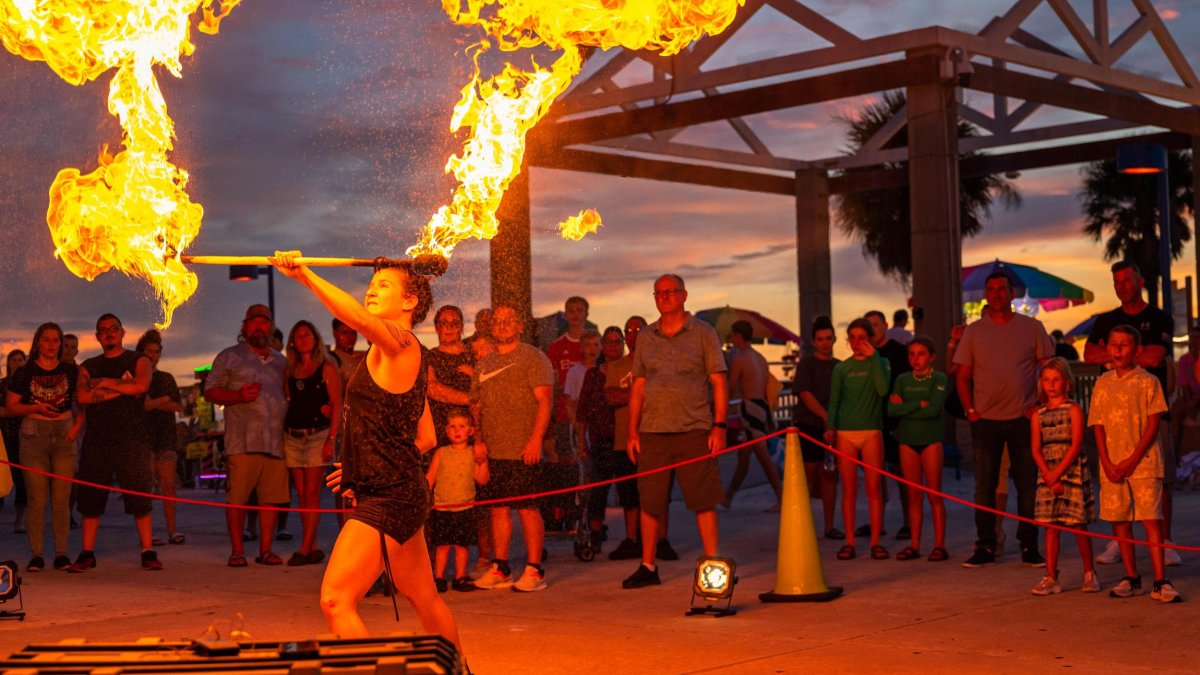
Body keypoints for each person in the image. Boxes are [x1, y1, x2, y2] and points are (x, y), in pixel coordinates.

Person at [271, 251, 466, 654]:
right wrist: (365, 462)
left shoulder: (402, 343)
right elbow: (426, 436)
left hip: (391, 497)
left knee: (335, 599)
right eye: (372, 284)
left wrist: (305, 275)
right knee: (424, 597)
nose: (372, 289)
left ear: (409, 302)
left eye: (384, 286)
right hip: (400, 490)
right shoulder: (396, 356)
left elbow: (359, 319)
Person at [623, 274, 727, 589]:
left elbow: (718, 382)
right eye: (659, 293)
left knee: (702, 499)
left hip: (693, 429)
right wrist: (632, 431)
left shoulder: (703, 333)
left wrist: (719, 425)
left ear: (684, 295)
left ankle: (713, 562)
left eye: (671, 292)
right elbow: (638, 387)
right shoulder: (646, 337)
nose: (665, 297)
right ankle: (648, 565)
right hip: (653, 432)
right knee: (650, 502)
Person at [1086, 261, 1180, 567]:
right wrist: (1133, 355)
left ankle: (1163, 541)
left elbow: (1157, 355)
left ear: (1139, 281)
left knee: (1159, 478)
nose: (1121, 287)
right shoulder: (1105, 320)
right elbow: (1089, 355)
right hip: (1113, 416)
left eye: (1127, 281)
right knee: (1116, 479)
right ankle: (1119, 541)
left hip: (1152, 410)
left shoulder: (1159, 318)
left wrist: (1116, 356)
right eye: (1116, 282)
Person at [955, 272, 1053, 568]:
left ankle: (1029, 544)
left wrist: (1039, 404)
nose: (996, 293)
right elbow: (962, 375)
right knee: (984, 487)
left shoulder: (1032, 327)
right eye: (991, 289)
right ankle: (985, 545)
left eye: (1002, 289)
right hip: (986, 421)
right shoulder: (974, 332)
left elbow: (1049, 367)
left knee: (1027, 484)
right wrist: (970, 410)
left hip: (1023, 419)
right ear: (986, 294)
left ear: (1012, 294)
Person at [1089, 325, 1180, 602]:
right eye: (1113, 344)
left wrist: (1132, 459)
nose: (1117, 350)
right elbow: (1098, 425)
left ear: (1137, 350)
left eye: (1124, 345)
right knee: (1120, 522)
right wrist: (1105, 460)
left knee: (1151, 519)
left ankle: (1160, 579)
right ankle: (1131, 576)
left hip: (1144, 463)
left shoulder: (1148, 382)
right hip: (1113, 463)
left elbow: (1153, 425)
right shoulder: (1103, 382)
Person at [470, 304, 553, 593]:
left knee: (528, 508)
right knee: (498, 508)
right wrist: (478, 441)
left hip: (523, 448)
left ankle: (534, 570)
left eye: (509, 321)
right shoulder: (485, 364)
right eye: (498, 321)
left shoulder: (533, 358)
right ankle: (501, 567)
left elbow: (545, 400)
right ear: (490, 327)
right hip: (493, 449)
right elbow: (476, 407)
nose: (503, 325)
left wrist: (535, 440)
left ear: (520, 326)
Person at [71, 313, 161, 572]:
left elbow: (141, 385)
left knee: (139, 498)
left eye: (114, 328)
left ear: (123, 333)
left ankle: (147, 551)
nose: (109, 333)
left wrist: (108, 384)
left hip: (132, 439)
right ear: (97, 337)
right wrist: (123, 387)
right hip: (97, 441)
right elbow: (84, 397)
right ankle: (87, 553)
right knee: (91, 499)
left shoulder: (138, 360)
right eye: (103, 330)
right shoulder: (89, 365)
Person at [204, 304, 289, 568]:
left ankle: (266, 550)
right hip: (242, 441)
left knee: (270, 500)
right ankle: (237, 551)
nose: (259, 327)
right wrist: (238, 396)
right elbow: (210, 391)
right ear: (245, 326)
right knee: (238, 499)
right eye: (254, 322)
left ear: (271, 327)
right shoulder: (229, 357)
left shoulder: (282, 361)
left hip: (275, 441)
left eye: (264, 322)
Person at [5, 324, 81, 571]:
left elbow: (84, 400)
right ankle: (36, 554)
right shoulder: (25, 372)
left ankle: (61, 553)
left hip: (63, 434)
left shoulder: (70, 371)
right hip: (34, 433)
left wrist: (75, 427)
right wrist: (36, 408)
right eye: (46, 340)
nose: (51, 344)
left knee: (61, 498)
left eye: (55, 340)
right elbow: (12, 405)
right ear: (38, 342)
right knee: (36, 499)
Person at [1029, 358, 1097, 595]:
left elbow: (1076, 443)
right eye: (1046, 379)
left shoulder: (1074, 409)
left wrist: (1058, 474)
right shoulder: (1038, 414)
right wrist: (1049, 476)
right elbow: (1036, 449)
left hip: (1071, 472)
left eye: (1056, 379)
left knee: (1078, 525)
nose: (1051, 384)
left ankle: (1089, 573)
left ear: (1067, 383)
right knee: (1051, 526)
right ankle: (1050, 575)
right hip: (1047, 474)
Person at [826, 318, 890, 561]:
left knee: (874, 489)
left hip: (872, 431)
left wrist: (874, 357)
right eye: (852, 337)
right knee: (849, 490)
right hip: (846, 433)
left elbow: (883, 390)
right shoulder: (841, 369)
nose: (856, 342)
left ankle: (875, 542)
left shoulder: (882, 362)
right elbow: (834, 401)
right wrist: (830, 425)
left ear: (870, 339)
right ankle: (850, 541)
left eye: (861, 337)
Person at [283, 320, 342, 566]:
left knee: (312, 492)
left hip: (318, 434)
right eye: (298, 336)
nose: (303, 339)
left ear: (315, 338)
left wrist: (331, 439)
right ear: (293, 342)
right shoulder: (290, 370)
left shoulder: (326, 367)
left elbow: (337, 404)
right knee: (302, 495)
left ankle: (305, 547)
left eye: (307, 334)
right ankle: (312, 544)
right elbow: (289, 399)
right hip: (293, 435)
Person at [887, 336, 948, 562]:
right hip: (907, 440)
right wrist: (916, 405)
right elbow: (891, 411)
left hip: (931, 439)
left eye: (920, 354)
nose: (915, 359)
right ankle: (914, 544)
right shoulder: (902, 379)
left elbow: (933, 409)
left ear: (931, 356)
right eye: (911, 354)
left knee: (934, 494)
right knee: (913, 496)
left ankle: (939, 544)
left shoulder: (939, 378)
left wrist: (904, 407)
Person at [600, 317, 648, 560]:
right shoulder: (618, 366)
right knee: (628, 494)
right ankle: (631, 539)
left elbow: (658, 396)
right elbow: (610, 396)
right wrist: (639, 393)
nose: (633, 334)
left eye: (639, 329)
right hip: (623, 439)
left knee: (654, 493)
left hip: (651, 437)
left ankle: (658, 540)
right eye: (629, 330)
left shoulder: (654, 363)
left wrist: (630, 394)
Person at [723, 319, 783, 511]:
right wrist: (770, 416)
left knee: (762, 456)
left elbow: (731, 388)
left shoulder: (740, 358)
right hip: (762, 407)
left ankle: (781, 496)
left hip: (750, 407)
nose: (732, 339)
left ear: (738, 336)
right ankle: (728, 496)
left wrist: (719, 407)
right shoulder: (760, 357)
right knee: (744, 455)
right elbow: (767, 388)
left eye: (733, 335)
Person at [426, 412, 489, 593]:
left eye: (462, 426)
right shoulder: (441, 453)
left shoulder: (473, 453)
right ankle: (439, 578)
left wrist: (482, 462)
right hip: (442, 507)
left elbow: (482, 480)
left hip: (465, 507)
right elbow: (431, 477)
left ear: (470, 431)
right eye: (453, 426)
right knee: (442, 545)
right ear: (446, 431)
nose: (457, 431)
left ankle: (460, 577)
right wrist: (422, 493)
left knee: (462, 545)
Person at [792, 316, 841, 540]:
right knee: (808, 477)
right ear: (814, 341)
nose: (824, 343)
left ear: (834, 339)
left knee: (829, 475)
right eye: (820, 339)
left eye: (828, 339)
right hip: (809, 426)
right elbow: (805, 394)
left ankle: (829, 526)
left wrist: (832, 422)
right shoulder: (806, 364)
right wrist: (825, 417)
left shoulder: (839, 366)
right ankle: (803, 527)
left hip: (831, 429)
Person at [544, 296, 590, 531]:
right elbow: (552, 384)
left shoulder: (593, 344)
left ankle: (590, 518)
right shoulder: (556, 347)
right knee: (567, 464)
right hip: (564, 415)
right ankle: (567, 513)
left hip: (590, 417)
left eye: (579, 310)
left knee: (589, 468)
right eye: (570, 310)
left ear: (586, 313)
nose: (574, 314)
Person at [865, 309, 911, 540]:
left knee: (902, 473)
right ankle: (877, 522)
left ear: (884, 325)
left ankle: (908, 522)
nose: (873, 328)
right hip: (872, 420)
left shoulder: (899, 352)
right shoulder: (865, 355)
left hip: (897, 420)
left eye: (875, 323)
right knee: (875, 473)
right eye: (869, 325)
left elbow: (907, 384)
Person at [137, 330, 184, 547]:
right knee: (146, 487)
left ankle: (172, 530)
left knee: (168, 486)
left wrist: (157, 402)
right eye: (149, 352)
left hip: (165, 436)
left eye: (157, 352)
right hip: (145, 437)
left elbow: (177, 405)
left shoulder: (166, 378)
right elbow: (143, 405)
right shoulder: (138, 379)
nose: (153, 356)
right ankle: (148, 533)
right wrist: (162, 400)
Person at [0, 349, 28, 534]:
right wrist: (16, 410)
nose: (17, 363)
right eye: (14, 360)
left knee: (21, 480)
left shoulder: (28, 385)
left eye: (20, 360)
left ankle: (19, 520)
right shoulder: (2, 385)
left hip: (23, 436)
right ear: (8, 363)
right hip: (3, 436)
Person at [330, 318, 366, 387]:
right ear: (335, 334)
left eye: (353, 332)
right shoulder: (332, 359)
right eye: (345, 332)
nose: (350, 337)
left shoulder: (365, 357)